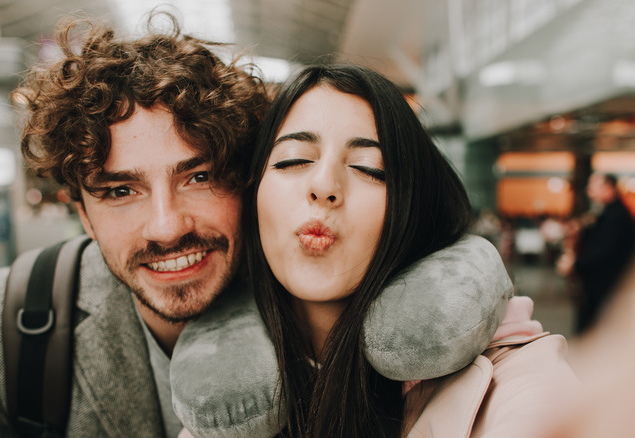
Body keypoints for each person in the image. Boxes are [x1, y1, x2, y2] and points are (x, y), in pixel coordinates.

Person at [0, 14, 269, 437]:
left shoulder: (317, 312)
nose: (166, 227)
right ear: (84, 214)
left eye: (200, 177)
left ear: (247, 184)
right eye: (120, 191)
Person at [240, 65, 576, 437]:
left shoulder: (508, 377)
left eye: (368, 168)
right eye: (293, 160)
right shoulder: (215, 397)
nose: (324, 185)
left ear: (411, 207)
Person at [557, 172, 635, 334]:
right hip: (603, 285)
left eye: (593, 185)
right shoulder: (610, 212)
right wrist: (581, 231)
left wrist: (575, 264)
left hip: (607, 287)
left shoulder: (616, 216)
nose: (588, 189)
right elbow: (598, 236)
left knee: (594, 329)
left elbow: (604, 252)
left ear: (609, 188)